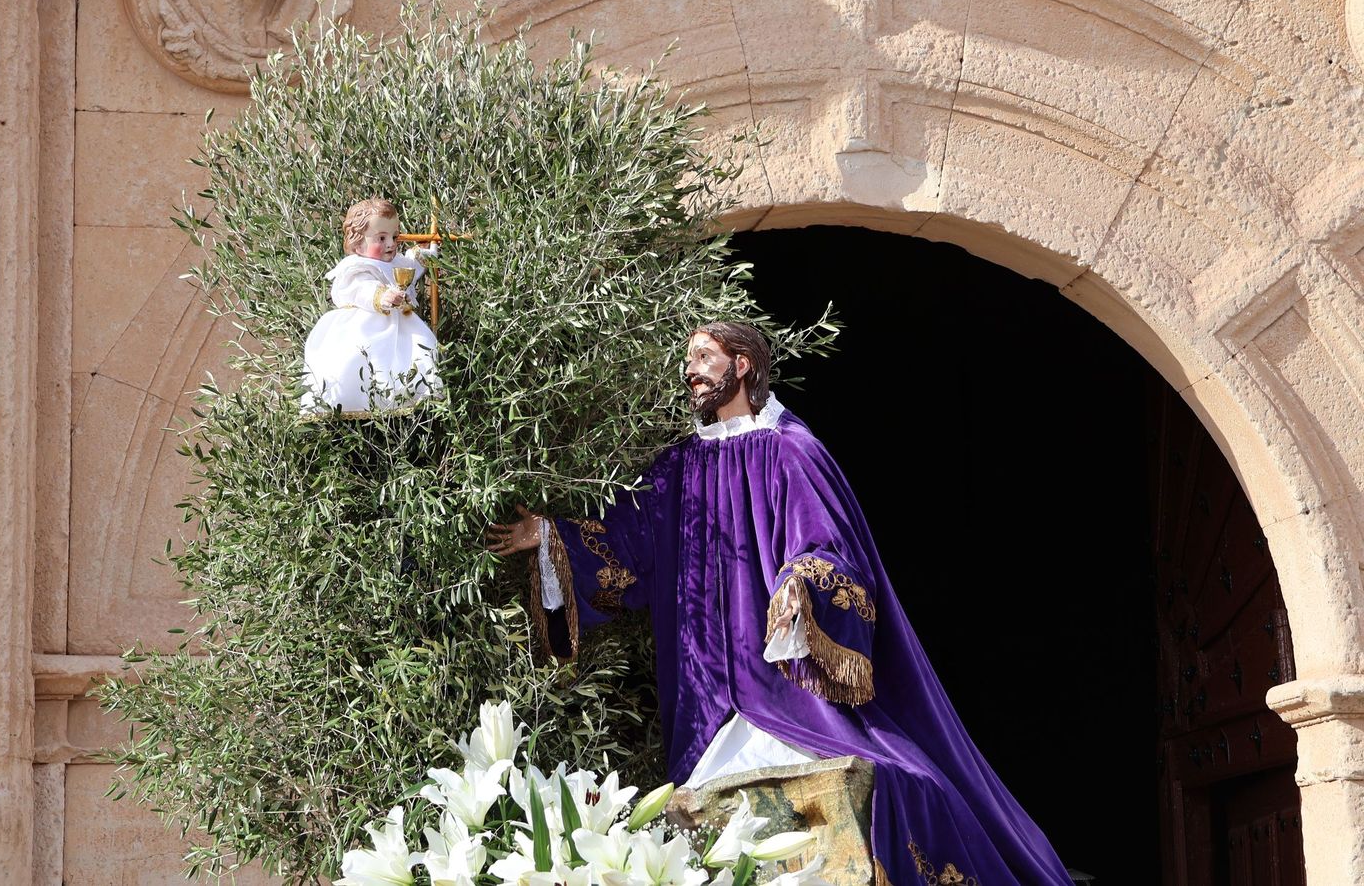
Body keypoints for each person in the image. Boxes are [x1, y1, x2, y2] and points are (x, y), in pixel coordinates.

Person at [487, 322, 1073, 886]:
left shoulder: (792, 450)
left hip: (783, 690)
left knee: (891, 787)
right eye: (688, 360)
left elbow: (829, 545)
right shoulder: (678, 466)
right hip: (704, 689)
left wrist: (800, 584)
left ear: (742, 365)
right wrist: (551, 536)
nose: (690, 370)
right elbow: (627, 543)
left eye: (703, 357)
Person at [301, 198, 440, 414]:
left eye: (394, 236)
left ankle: (416, 397)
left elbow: (411, 265)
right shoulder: (356, 267)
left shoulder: (396, 262)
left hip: (402, 325)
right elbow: (360, 289)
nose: (391, 244)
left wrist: (427, 251)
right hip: (366, 325)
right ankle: (355, 400)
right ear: (358, 243)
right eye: (381, 238)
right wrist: (381, 296)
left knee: (421, 349)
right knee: (363, 359)